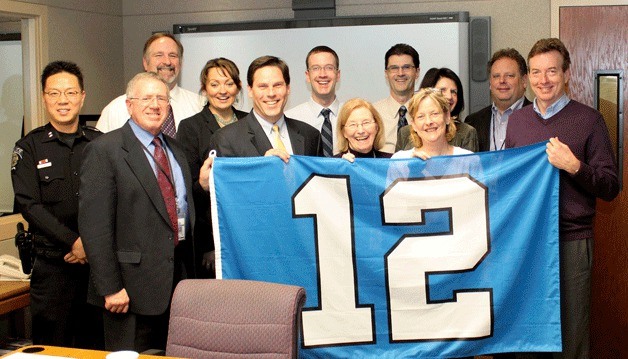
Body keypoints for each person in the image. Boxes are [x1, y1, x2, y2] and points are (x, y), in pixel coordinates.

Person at [505, 38, 619, 359]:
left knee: (571, 333)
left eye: (552, 71)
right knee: (528, 331)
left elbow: (610, 186)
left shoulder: (589, 120)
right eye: (537, 72)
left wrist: (575, 166)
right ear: (528, 77)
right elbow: (507, 178)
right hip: (528, 243)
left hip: (571, 240)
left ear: (567, 73)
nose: (544, 80)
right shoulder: (518, 121)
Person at [79, 72, 196, 352]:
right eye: (146, 98)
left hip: (176, 287)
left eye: (162, 98)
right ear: (129, 105)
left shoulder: (176, 151)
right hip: (127, 292)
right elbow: (95, 227)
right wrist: (109, 287)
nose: (155, 105)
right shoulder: (104, 150)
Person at [11, 61, 103, 348]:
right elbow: (30, 206)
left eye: (70, 93)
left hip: (97, 268)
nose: (63, 100)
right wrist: (74, 242)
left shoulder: (100, 144)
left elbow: (112, 201)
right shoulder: (29, 147)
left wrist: (88, 244)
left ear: (83, 96)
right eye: (54, 93)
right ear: (44, 97)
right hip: (53, 269)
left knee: (96, 345)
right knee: (53, 346)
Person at [176, 58, 247, 277]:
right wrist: (210, 244)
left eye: (228, 83)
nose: (222, 91)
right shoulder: (190, 127)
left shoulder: (249, 122)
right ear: (204, 89)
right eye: (214, 84)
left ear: (238, 87)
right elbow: (188, 190)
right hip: (209, 236)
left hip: (246, 229)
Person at [209, 55, 321, 161]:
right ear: (250, 90)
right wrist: (263, 168)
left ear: (288, 88)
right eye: (263, 86)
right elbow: (228, 181)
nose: (271, 93)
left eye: (277, 85)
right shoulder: (226, 139)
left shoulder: (310, 135)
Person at [96, 33, 204, 135]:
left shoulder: (199, 105)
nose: (167, 61)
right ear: (145, 63)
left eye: (173, 55)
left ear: (180, 63)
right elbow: (101, 150)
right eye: (159, 55)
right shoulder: (116, 109)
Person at [396, 68, 478, 152]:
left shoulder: (466, 134)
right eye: (442, 90)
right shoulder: (405, 134)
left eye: (453, 91)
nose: (449, 96)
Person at [466, 48, 531, 152]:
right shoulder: (473, 122)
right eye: (496, 76)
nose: (502, 81)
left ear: (524, 81)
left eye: (509, 76)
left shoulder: (538, 117)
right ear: (490, 83)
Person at [285, 46, 342, 157]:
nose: (322, 74)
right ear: (308, 75)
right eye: (316, 68)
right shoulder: (290, 119)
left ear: (338, 75)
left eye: (329, 68)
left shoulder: (352, 116)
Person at [392, 87, 472, 159]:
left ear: (447, 116)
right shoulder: (400, 160)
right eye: (421, 116)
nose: (428, 122)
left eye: (434, 114)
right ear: (413, 124)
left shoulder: (468, 158)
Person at [373, 43, 421, 153]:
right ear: (386, 73)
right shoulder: (372, 113)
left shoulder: (427, 114)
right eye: (394, 68)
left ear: (417, 72)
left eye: (406, 67)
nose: (400, 73)